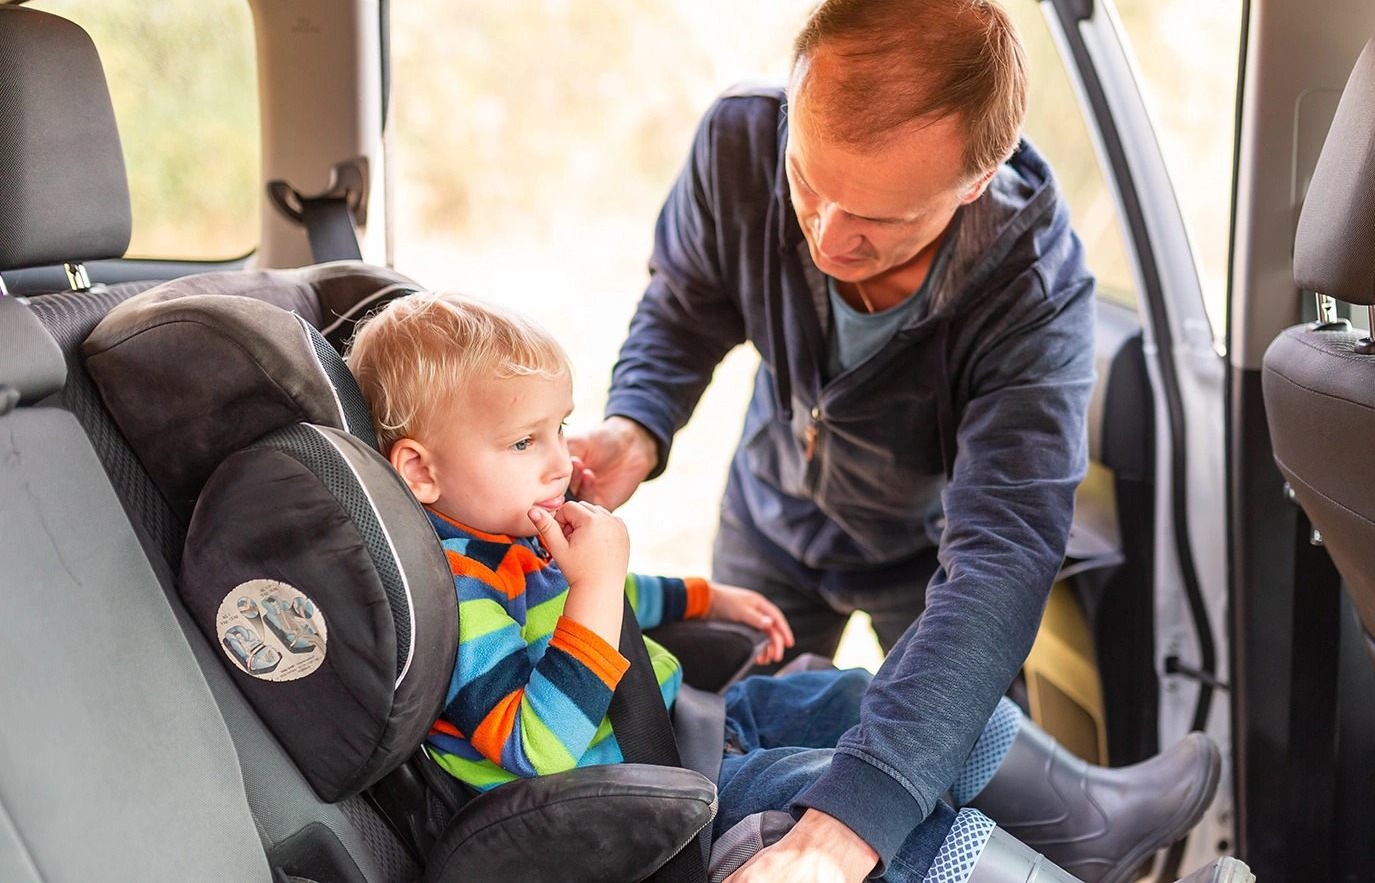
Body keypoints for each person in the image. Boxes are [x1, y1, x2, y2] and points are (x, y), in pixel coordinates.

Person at [565, 0, 1223, 881]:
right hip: (773, 515)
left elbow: (1001, 558)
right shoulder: (738, 144)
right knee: (756, 725)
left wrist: (848, 826)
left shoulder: (1032, 290)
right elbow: (687, 305)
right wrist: (635, 427)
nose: (831, 237)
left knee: (934, 752)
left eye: (880, 220)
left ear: (974, 183)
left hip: (927, 560)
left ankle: (1078, 831)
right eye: (808, 185)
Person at [345, 291, 1216, 883]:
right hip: (649, 801)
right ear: (420, 472)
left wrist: (700, 599)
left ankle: (1088, 823)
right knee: (855, 797)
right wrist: (598, 590)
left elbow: (613, 592)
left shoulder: (509, 534)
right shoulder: (460, 600)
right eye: (523, 442)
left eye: (559, 429)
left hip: (692, 729)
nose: (562, 459)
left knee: (878, 698)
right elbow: (542, 746)